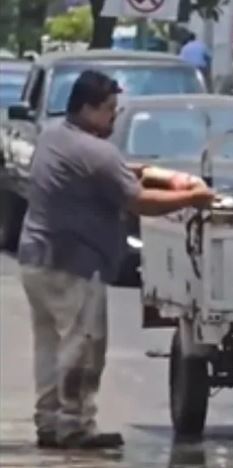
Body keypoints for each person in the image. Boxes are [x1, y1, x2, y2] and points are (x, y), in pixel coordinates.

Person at [17, 70, 214, 449]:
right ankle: (75, 425)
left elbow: (108, 175)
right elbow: (138, 201)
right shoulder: (97, 152)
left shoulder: (54, 137)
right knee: (83, 348)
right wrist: (192, 198)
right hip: (73, 264)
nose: (114, 116)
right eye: (109, 110)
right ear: (88, 108)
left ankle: (49, 422)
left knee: (49, 346)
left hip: (36, 260)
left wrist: (145, 172)